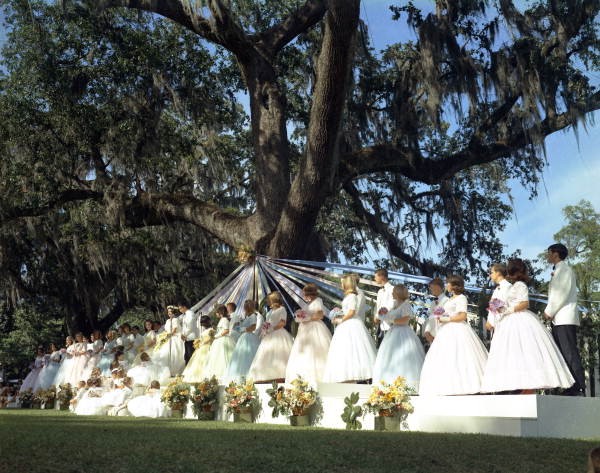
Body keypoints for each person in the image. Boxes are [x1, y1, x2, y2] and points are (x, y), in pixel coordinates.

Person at [481, 259, 574, 393]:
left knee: (525, 351)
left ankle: (527, 388)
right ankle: (521, 387)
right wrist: (500, 308)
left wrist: (507, 310)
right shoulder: (513, 286)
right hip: (509, 320)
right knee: (515, 353)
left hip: (519, 319)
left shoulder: (520, 285)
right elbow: (509, 303)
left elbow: (524, 303)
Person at [419, 275, 488, 396]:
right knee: (446, 358)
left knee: (460, 357)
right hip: (445, 331)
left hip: (457, 329)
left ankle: (464, 386)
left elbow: (462, 316)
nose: (446, 286)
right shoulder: (449, 300)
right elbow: (438, 315)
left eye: (448, 283)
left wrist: (446, 318)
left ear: (454, 285)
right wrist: (438, 319)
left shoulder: (461, 298)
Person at [543, 243, 586, 396]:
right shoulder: (558, 270)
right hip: (558, 319)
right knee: (562, 352)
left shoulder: (565, 270)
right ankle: (571, 385)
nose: (547, 256)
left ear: (555, 254)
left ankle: (579, 385)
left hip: (564, 318)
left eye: (549, 253)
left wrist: (548, 311)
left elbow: (560, 294)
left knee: (569, 352)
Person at [323, 275, 377, 383]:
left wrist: (341, 320)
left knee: (354, 350)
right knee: (345, 351)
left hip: (351, 324)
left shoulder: (352, 296)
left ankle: (355, 378)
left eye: (343, 283)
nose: (341, 285)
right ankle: (347, 379)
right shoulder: (348, 296)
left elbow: (352, 312)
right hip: (346, 324)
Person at [372, 284, 425, 389]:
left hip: (403, 332)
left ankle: (406, 384)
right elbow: (390, 317)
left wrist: (390, 320)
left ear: (399, 292)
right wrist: (383, 316)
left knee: (404, 356)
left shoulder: (406, 305)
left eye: (394, 291)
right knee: (390, 356)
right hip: (393, 331)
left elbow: (406, 319)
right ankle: (390, 383)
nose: (392, 293)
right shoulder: (394, 304)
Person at [285, 284, 332, 385]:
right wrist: (301, 317)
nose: (304, 296)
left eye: (305, 294)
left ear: (310, 293)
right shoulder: (308, 303)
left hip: (315, 328)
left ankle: (318, 377)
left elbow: (320, 315)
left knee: (315, 351)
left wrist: (307, 318)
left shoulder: (318, 301)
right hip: (304, 330)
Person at [248, 291, 293, 383]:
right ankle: (266, 376)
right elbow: (268, 321)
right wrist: (265, 329)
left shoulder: (282, 309)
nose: (267, 302)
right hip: (269, 335)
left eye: (269, 300)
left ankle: (280, 376)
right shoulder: (270, 310)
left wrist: (272, 328)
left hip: (278, 333)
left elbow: (282, 323)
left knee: (279, 355)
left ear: (273, 300)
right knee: (266, 354)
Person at [225, 300, 263, 383]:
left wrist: (243, 329)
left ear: (247, 307)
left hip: (249, 336)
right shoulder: (247, 316)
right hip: (244, 336)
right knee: (241, 356)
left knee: (248, 355)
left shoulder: (253, 316)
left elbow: (253, 327)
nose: (244, 308)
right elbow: (243, 326)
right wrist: (237, 327)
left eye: (245, 307)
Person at [203, 305, 236, 381]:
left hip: (223, 340)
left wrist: (217, 336)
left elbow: (226, 330)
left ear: (220, 312)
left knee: (223, 357)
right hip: (219, 340)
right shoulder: (222, 319)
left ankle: (224, 373)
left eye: (217, 312)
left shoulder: (224, 320)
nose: (216, 314)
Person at [153, 306, 185, 376]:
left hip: (174, 337)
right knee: (165, 353)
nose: (169, 313)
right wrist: (163, 335)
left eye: (171, 312)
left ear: (174, 313)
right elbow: (166, 330)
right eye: (168, 312)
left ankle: (176, 370)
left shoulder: (175, 320)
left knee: (175, 354)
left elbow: (174, 330)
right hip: (168, 337)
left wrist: (168, 335)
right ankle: (168, 370)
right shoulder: (167, 321)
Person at [182, 316, 215, 383]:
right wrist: (198, 342)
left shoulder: (211, 330)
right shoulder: (204, 330)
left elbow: (211, 339)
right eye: (202, 323)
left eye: (203, 323)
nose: (202, 325)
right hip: (202, 347)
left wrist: (202, 342)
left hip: (208, 347)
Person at [484, 264, 512, 334]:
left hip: (505, 325)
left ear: (498, 273)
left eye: (492, 272)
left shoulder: (506, 287)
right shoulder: (499, 288)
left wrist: (491, 322)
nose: (490, 275)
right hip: (499, 324)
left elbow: (502, 307)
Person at [422, 278, 448, 345]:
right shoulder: (433, 302)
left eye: (431, 287)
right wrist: (427, 332)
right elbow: (431, 318)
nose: (430, 289)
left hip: (442, 336)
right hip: (432, 337)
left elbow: (443, 317)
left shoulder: (447, 301)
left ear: (438, 287)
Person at [374, 268, 394, 347]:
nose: (374, 279)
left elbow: (391, 305)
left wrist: (379, 316)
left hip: (390, 325)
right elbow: (378, 306)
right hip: (381, 327)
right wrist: (375, 316)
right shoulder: (380, 291)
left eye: (376, 276)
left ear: (382, 276)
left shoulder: (392, 289)